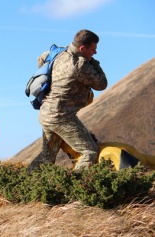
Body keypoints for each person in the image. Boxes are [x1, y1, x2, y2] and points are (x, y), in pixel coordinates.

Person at [28, 29, 108, 172]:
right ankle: (78, 187)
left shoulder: (59, 53)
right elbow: (101, 84)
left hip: (46, 113)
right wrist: (95, 63)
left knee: (47, 155)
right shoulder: (80, 64)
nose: (95, 53)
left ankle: (24, 184)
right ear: (82, 48)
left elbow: (41, 59)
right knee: (89, 152)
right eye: (93, 49)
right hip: (62, 116)